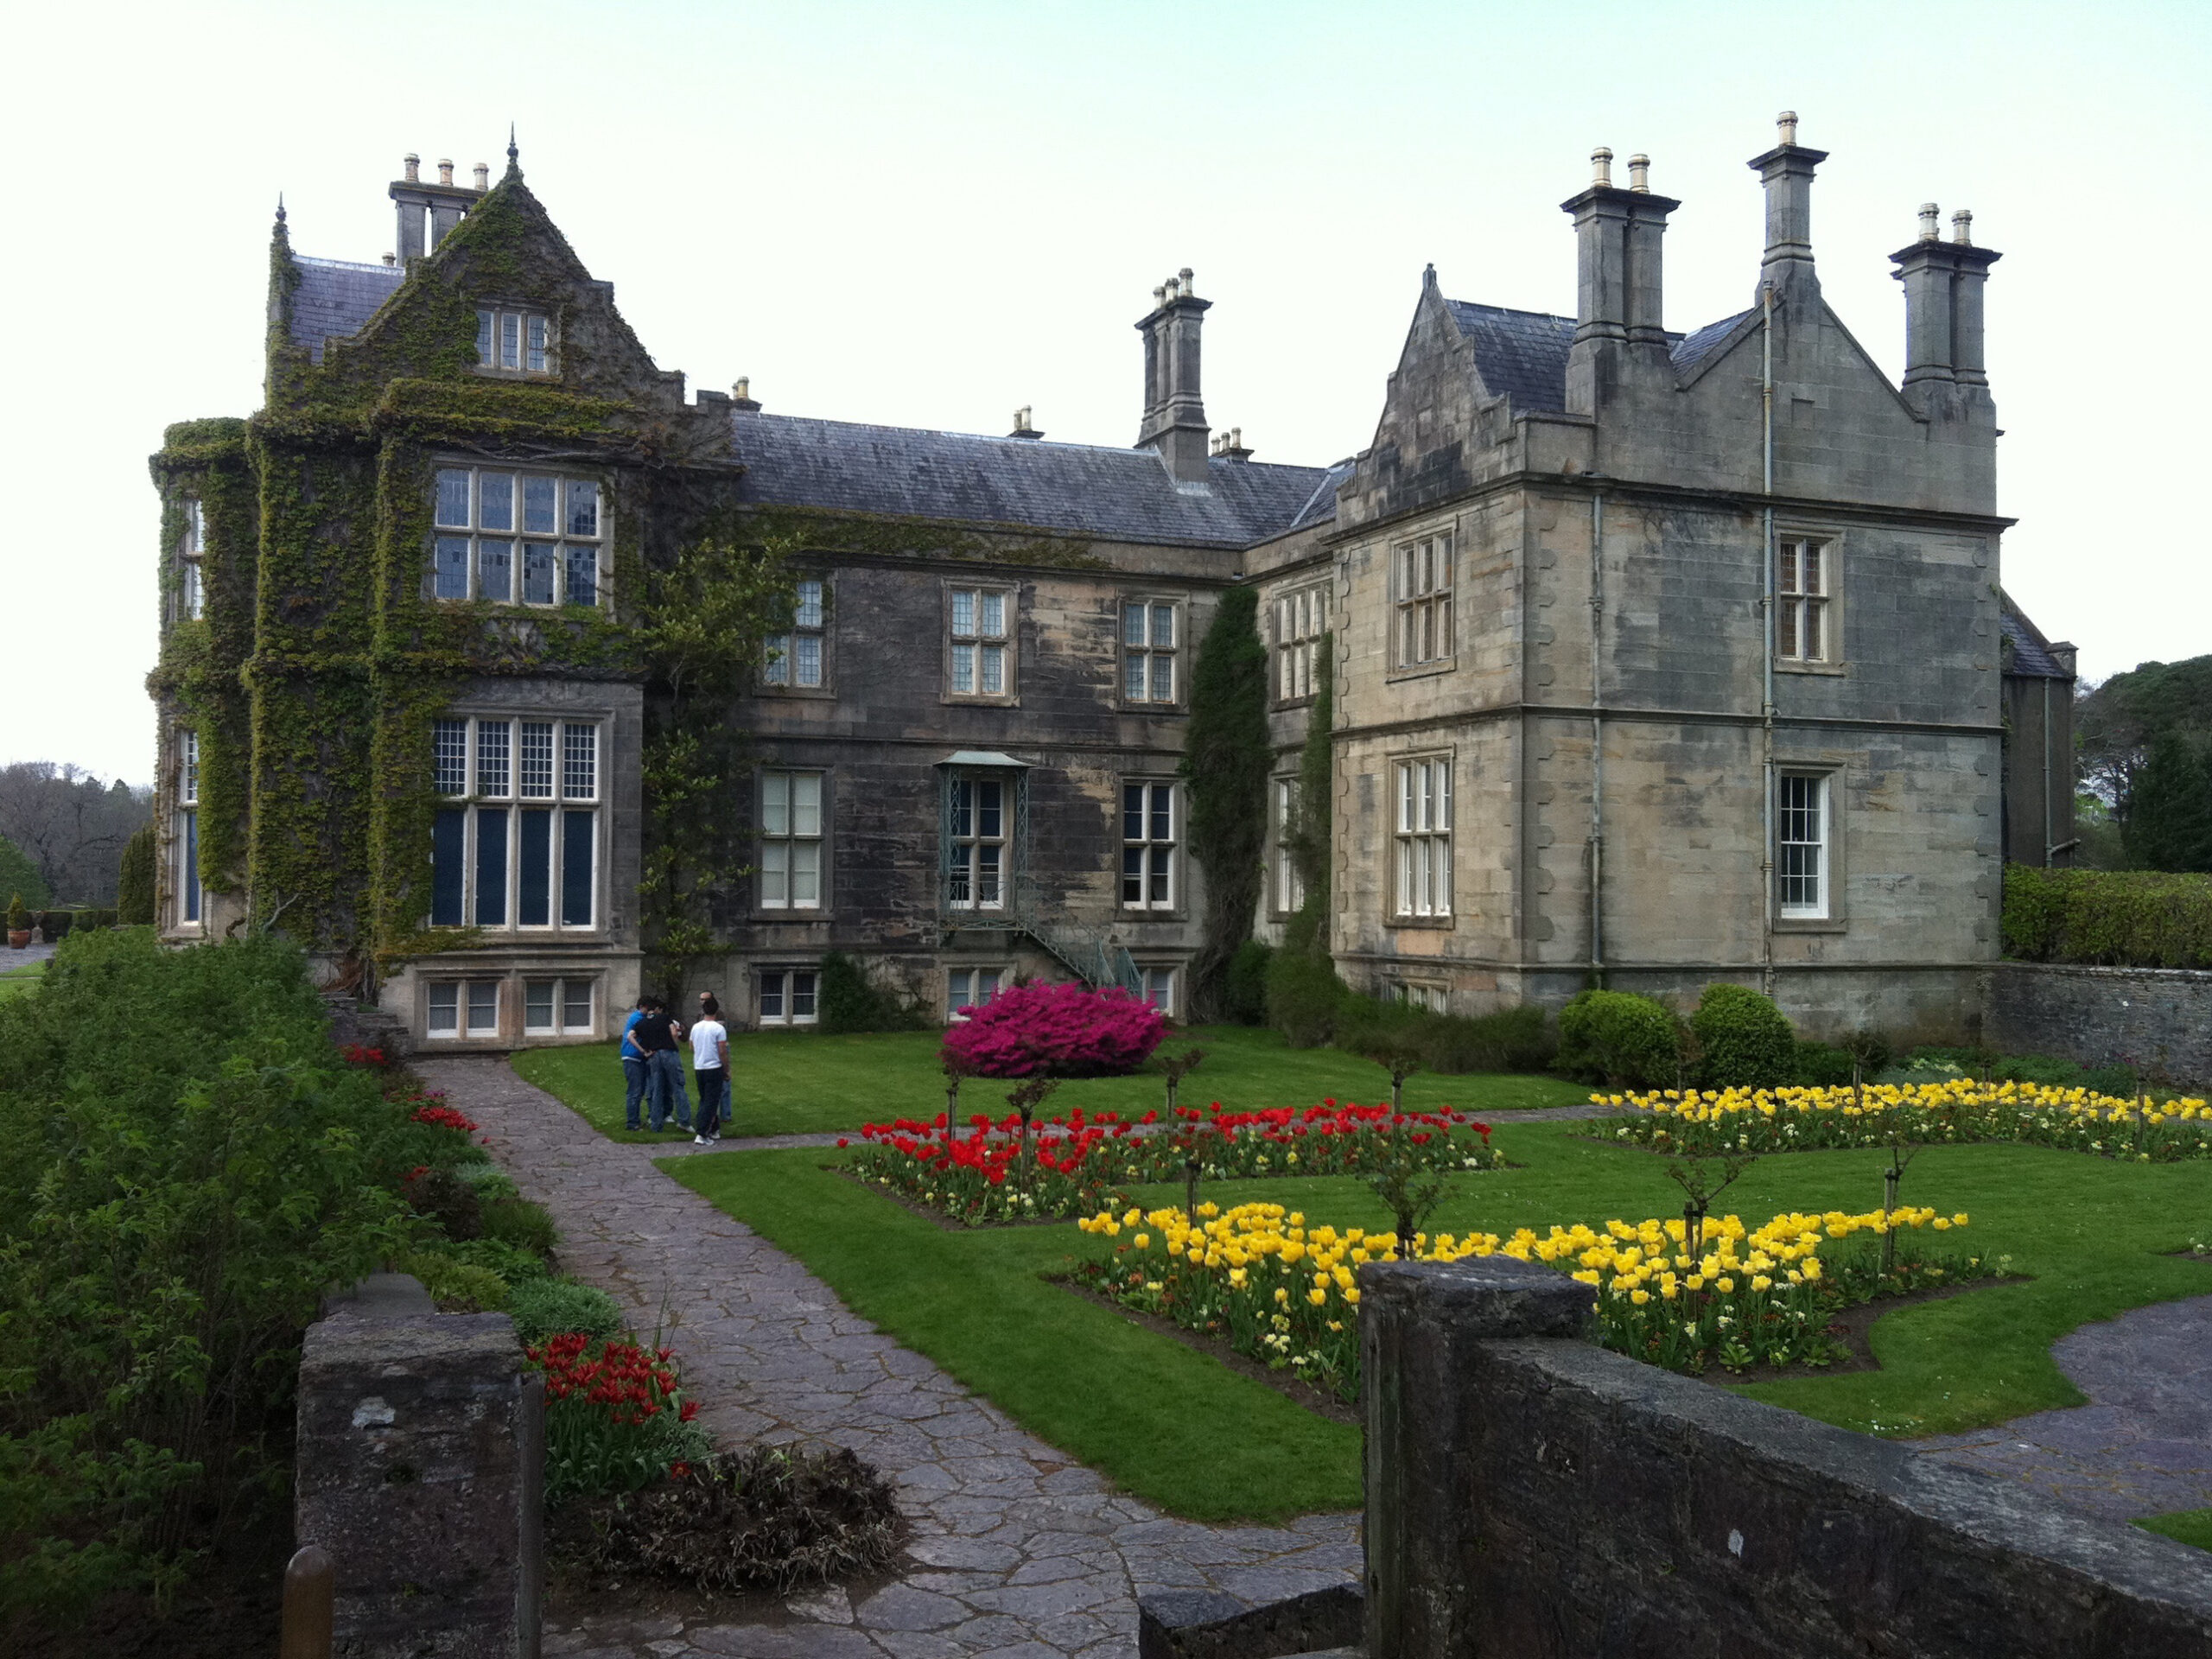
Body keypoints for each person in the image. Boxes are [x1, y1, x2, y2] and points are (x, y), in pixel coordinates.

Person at [632, 996, 690, 1134]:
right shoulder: (664, 1018)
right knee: (678, 1086)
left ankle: (656, 1124)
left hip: (653, 1055)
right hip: (668, 1052)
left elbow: (630, 1036)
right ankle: (684, 1121)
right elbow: (674, 1033)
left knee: (657, 1089)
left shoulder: (642, 1022)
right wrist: (674, 1046)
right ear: (657, 1009)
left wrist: (643, 1051)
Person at [690, 992, 730, 1146]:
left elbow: (691, 1047)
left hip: (699, 1067)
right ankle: (702, 1133)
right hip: (713, 1067)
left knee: (705, 1099)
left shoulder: (696, 1027)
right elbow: (722, 1051)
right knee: (711, 1102)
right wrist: (726, 1069)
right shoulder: (718, 1029)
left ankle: (714, 1129)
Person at [620, 995, 651, 1131]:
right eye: (648, 1008)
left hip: (636, 1057)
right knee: (635, 1091)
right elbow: (631, 1036)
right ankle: (632, 1122)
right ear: (642, 1006)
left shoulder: (638, 1017)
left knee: (638, 1090)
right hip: (633, 1057)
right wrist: (643, 1051)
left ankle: (635, 1120)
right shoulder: (638, 1018)